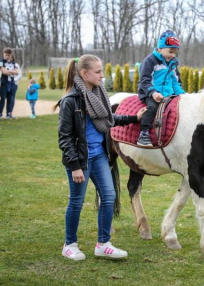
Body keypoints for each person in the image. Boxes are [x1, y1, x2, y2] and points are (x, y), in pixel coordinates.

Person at [57, 55, 146, 261]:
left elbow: (110, 120)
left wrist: (134, 118)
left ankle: (103, 244)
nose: (102, 75)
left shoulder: (99, 95)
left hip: (99, 156)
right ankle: (69, 244)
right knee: (76, 201)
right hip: (80, 160)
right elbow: (65, 138)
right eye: (98, 72)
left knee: (109, 196)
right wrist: (75, 166)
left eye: (102, 71)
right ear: (84, 74)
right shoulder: (71, 101)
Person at [137, 29, 185, 146]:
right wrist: (153, 93)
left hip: (168, 93)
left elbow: (175, 82)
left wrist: (182, 95)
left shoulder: (172, 64)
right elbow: (145, 80)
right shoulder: (149, 61)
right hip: (149, 92)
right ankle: (143, 133)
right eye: (170, 52)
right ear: (160, 48)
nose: (172, 55)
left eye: (174, 53)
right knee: (153, 107)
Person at [0, 48, 19, 119]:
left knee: (10, 99)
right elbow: (4, 72)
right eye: (5, 55)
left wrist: (9, 71)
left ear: (11, 55)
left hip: (11, 83)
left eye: (8, 55)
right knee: (3, 98)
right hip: (4, 83)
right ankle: (0, 113)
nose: (7, 56)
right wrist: (12, 72)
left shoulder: (14, 63)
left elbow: (17, 72)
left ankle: (8, 113)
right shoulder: (1, 62)